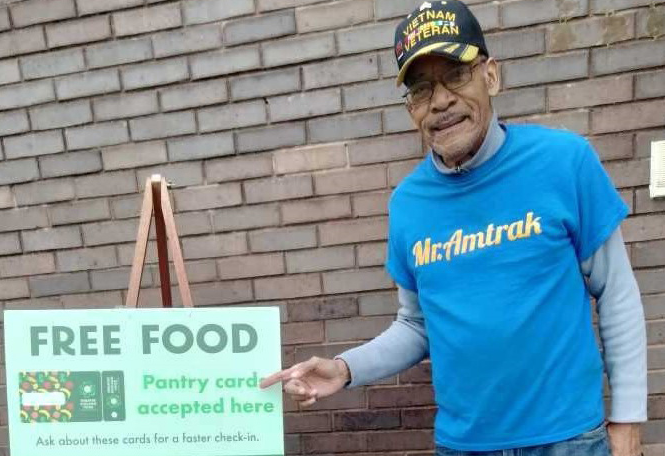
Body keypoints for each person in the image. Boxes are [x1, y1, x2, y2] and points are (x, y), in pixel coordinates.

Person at [261, 1, 647, 455]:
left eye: (456, 76)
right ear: (411, 112)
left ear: (491, 76)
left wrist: (627, 422)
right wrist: (346, 369)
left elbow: (617, 293)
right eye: (422, 89)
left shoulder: (564, 161)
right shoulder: (407, 204)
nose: (441, 100)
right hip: (463, 446)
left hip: (568, 441)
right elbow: (416, 324)